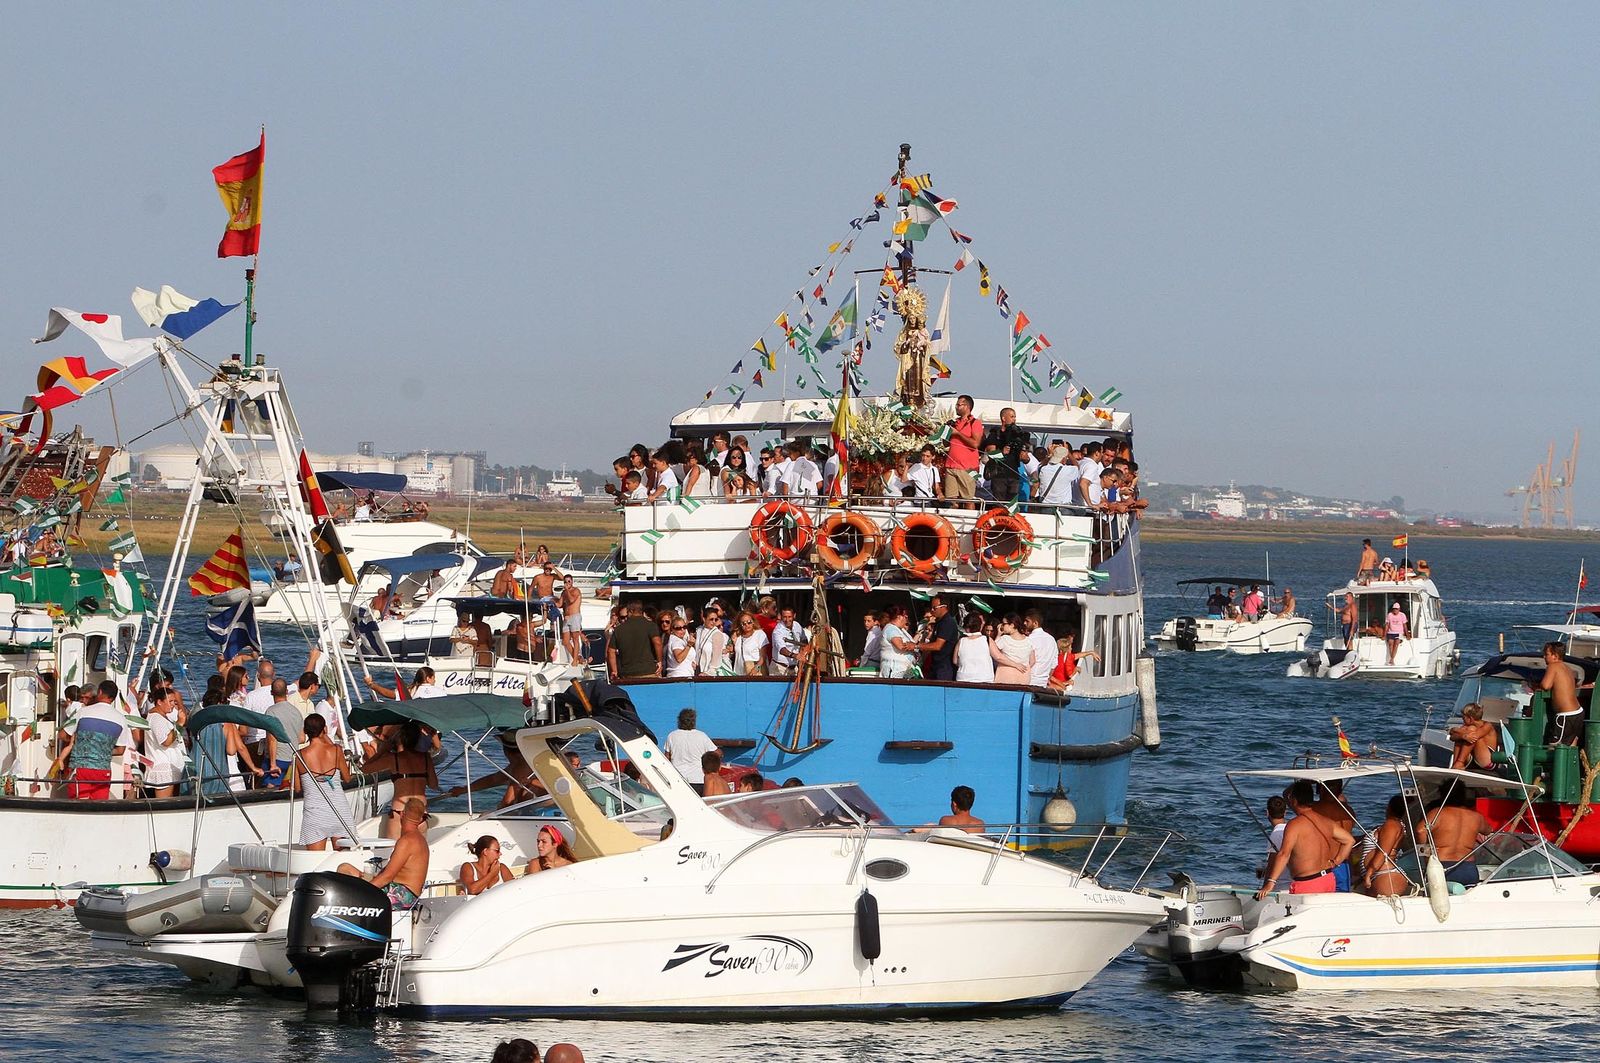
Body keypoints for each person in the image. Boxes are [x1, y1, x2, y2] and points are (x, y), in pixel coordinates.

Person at [1255, 781, 1354, 899]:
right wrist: (1336, 861)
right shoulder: (1326, 822)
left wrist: (1270, 882)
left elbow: (1284, 854)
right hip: (1327, 878)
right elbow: (1349, 840)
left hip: (1308, 882)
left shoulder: (1294, 825)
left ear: (1294, 800)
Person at [281, 713, 358, 849]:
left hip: (315, 814)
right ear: (325, 729)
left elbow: (297, 788)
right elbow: (347, 778)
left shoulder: (298, 756)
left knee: (315, 863)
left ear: (305, 731)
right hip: (339, 810)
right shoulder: (336, 750)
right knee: (343, 860)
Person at [337, 796, 429, 909]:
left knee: (349, 885)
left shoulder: (406, 841)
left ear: (402, 814)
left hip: (402, 896)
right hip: (408, 894)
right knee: (346, 868)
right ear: (420, 819)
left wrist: (363, 891)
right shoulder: (421, 840)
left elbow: (388, 877)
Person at [53, 679, 132, 799]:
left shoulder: (82, 712)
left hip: (81, 768)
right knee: (100, 808)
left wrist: (81, 743)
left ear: (99, 692)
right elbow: (120, 750)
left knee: (78, 807)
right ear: (113, 698)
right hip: (103, 771)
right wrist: (100, 750)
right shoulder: (121, 719)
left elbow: (62, 735)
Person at [1424, 783, 1490, 887]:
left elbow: (1420, 830)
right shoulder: (1476, 817)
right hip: (1467, 866)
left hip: (1442, 865)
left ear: (1443, 796)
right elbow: (1488, 830)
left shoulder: (1437, 814)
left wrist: (1426, 853)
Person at [1363, 795, 1420, 898]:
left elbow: (1383, 852)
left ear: (1389, 808)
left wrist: (1369, 874)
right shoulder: (1398, 825)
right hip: (1384, 874)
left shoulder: (1391, 825)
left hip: (1384, 875)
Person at [141, 685, 187, 798]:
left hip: (171, 767)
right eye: (170, 701)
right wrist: (180, 723)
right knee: (164, 803)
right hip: (163, 769)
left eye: (174, 701)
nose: (173, 704)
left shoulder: (163, 716)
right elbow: (165, 741)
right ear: (159, 702)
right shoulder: (156, 718)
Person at [1537, 640, 1584, 745]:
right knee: (1570, 747)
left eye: (1546, 654)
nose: (1544, 657)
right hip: (1578, 712)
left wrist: (1536, 684)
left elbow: (1546, 685)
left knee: (1555, 748)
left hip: (1566, 715)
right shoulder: (1568, 668)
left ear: (1555, 655)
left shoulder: (1553, 666)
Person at [664, 709, 718, 794]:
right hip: (698, 779)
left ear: (679, 721)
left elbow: (666, 758)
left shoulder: (672, 736)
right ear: (694, 721)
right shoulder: (701, 736)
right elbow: (717, 753)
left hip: (678, 780)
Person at [943, 394, 983, 507]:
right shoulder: (955, 422)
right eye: (956, 404)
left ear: (967, 406)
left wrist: (957, 433)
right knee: (951, 499)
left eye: (959, 405)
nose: (956, 407)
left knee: (968, 499)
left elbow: (975, 444)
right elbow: (945, 444)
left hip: (967, 467)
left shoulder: (975, 423)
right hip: (951, 465)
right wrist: (946, 431)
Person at [607, 600, 661, 680]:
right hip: (649, 672)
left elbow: (610, 651)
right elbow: (658, 643)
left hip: (627, 674)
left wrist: (614, 671)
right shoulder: (651, 626)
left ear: (631, 611)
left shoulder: (619, 629)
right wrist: (660, 661)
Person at [916, 595, 959, 682]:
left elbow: (937, 645)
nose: (932, 610)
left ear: (944, 607)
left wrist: (916, 646)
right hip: (936, 665)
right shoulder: (939, 622)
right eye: (931, 607)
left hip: (945, 668)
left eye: (934, 608)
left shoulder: (948, 622)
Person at [1449, 702, 1500, 769]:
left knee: (1471, 731)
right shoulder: (1465, 727)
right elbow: (1452, 737)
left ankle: (1460, 762)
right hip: (1473, 758)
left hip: (1488, 761)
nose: (1462, 719)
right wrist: (1462, 736)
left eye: (1463, 717)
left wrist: (1456, 730)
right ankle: (1455, 764)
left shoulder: (1487, 725)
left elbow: (1474, 736)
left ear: (1470, 719)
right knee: (1463, 735)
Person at [989, 614, 1035, 685]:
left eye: (1004, 624)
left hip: (1005, 675)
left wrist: (998, 635)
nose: (1002, 626)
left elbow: (995, 653)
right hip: (1023, 676)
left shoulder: (1005, 639)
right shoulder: (1029, 641)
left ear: (1012, 625)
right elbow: (1033, 661)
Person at [953, 612, 995, 684]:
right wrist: (1015, 665)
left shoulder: (961, 641)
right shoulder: (987, 640)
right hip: (984, 678)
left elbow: (955, 661)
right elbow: (998, 657)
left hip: (963, 678)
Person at [877, 606, 917, 679]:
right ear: (899, 617)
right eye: (905, 617)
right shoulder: (891, 629)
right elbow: (900, 646)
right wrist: (915, 646)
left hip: (906, 671)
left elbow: (913, 643)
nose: (907, 620)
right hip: (894, 670)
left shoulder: (901, 630)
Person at [1021, 610, 1057, 688]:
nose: (1024, 623)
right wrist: (1048, 678)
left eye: (1027, 621)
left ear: (1035, 623)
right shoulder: (1051, 639)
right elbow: (1054, 664)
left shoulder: (1029, 639)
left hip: (1029, 680)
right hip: (1043, 682)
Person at [770, 605, 808, 676]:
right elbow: (782, 650)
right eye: (784, 617)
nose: (787, 620)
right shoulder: (777, 631)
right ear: (781, 617)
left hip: (794, 668)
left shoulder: (797, 625)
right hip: (780, 668)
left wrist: (803, 651)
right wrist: (794, 655)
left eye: (789, 617)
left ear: (794, 616)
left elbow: (804, 639)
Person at [731, 611, 770, 675]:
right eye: (744, 623)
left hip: (754, 672)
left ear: (753, 622)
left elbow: (763, 656)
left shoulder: (759, 634)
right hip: (739, 673)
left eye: (749, 622)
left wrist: (756, 668)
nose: (747, 625)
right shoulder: (738, 637)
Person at [559, 573, 586, 664]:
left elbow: (571, 600)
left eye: (569, 581)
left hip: (575, 616)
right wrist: (550, 600)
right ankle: (578, 659)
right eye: (565, 582)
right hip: (566, 617)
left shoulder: (576, 591)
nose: (567, 583)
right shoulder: (564, 593)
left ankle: (575, 660)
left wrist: (567, 590)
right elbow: (559, 604)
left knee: (575, 639)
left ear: (572, 582)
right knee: (565, 641)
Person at [662, 613, 694, 678]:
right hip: (680, 676)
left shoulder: (682, 639)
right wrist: (689, 646)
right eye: (678, 628)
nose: (682, 630)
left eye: (684, 627)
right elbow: (679, 658)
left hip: (686, 675)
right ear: (672, 629)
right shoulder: (675, 640)